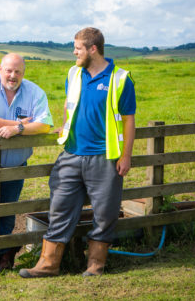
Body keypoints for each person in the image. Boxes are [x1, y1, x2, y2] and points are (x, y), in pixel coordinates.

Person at [19, 27, 136, 278]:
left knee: (105, 212)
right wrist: (65, 124)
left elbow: (128, 120)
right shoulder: (73, 73)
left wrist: (126, 156)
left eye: (78, 48)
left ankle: (95, 266)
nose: (74, 52)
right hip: (71, 154)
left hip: (105, 157)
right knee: (59, 207)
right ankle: (48, 265)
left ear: (93, 49)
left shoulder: (121, 78)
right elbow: (68, 103)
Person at [0, 53, 53, 271]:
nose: (13, 75)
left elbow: (44, 125)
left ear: (23, 72)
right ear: (0, 69)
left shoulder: (34, 92)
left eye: (18, 71)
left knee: (6, 211)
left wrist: (18, 129)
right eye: (9, 70)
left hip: (15, 165)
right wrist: (19, 122)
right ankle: (8, 248)